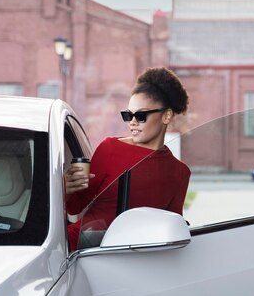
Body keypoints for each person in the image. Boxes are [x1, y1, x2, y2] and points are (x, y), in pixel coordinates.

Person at [65, 67, 191, 250]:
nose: (132, 122)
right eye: (128, 115)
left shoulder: (180, 173)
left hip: (135, 258)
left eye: (140, 116)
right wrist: (67, 188)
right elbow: (75, 207)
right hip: (83, 251)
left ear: (166, 115)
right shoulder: (110, 149)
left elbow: (170, 231)